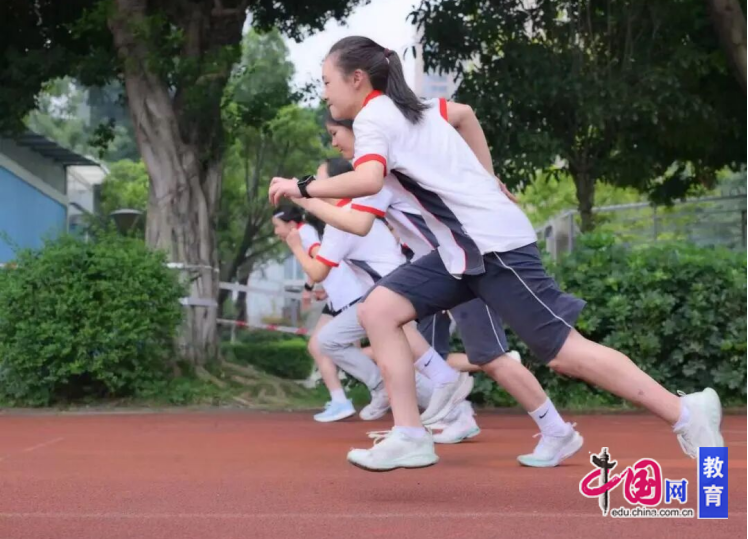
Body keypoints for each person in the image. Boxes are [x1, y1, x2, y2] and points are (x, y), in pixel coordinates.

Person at [268, 36, 723, 472]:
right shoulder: (414, 108)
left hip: (492, 245)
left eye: (326, 81)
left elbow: (368, 180)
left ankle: (685, 412)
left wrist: (301, 187)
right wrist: (486, 181)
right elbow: (465, 115)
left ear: (357, 79)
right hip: (461, 251)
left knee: (563, 351)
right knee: (379, 309)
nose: (324, 93)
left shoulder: (373, 117)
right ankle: (409, 435)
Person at [294, 112, 581, 461]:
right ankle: (452, 411)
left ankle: (555, 429)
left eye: (335, 133)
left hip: (464, 266)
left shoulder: (379, 172)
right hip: (436, 272)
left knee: (489, 357)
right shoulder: (380, 174)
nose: (334, 143)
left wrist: (304, 196)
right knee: (397, 323)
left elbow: (357, 224)